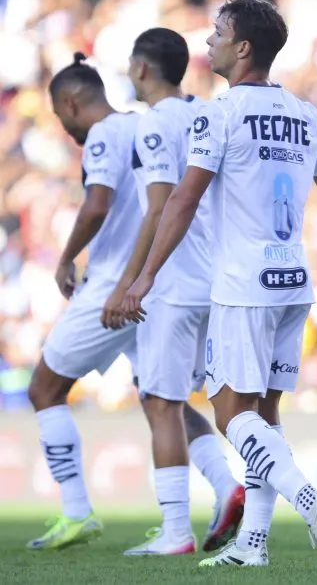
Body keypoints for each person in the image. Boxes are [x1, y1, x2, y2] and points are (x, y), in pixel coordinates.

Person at [120, 0, 317, 568]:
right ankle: (253, 546)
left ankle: (313, 500)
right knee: (265, 418)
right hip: (293, 280)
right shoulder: (306, 114)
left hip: (242, 284)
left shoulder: (218, 115)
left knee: (231, 415)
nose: (208, 42)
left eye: (217, 34)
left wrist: (145, 276)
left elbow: (183, 201)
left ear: (242, 48)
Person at [104, 27, 245, 556]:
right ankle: (228, 485)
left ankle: (175, 532)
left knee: (159, 401)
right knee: (190, 401)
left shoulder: (156, 124)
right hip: (219, 279)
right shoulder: (207, 112)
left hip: (175, 282)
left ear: (141, 69)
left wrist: (129, 282)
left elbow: (161, 205)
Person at [25, 53, 143, 550]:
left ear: (71, 103)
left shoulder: (101, 136)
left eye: (59, 116)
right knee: (164, 398)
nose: (64, 126)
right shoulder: (146, 126)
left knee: (45, 389)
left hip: (112, 287)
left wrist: (65, 257)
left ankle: (76, 512)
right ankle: (226, 492)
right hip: (157, 283)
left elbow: (97, 205)